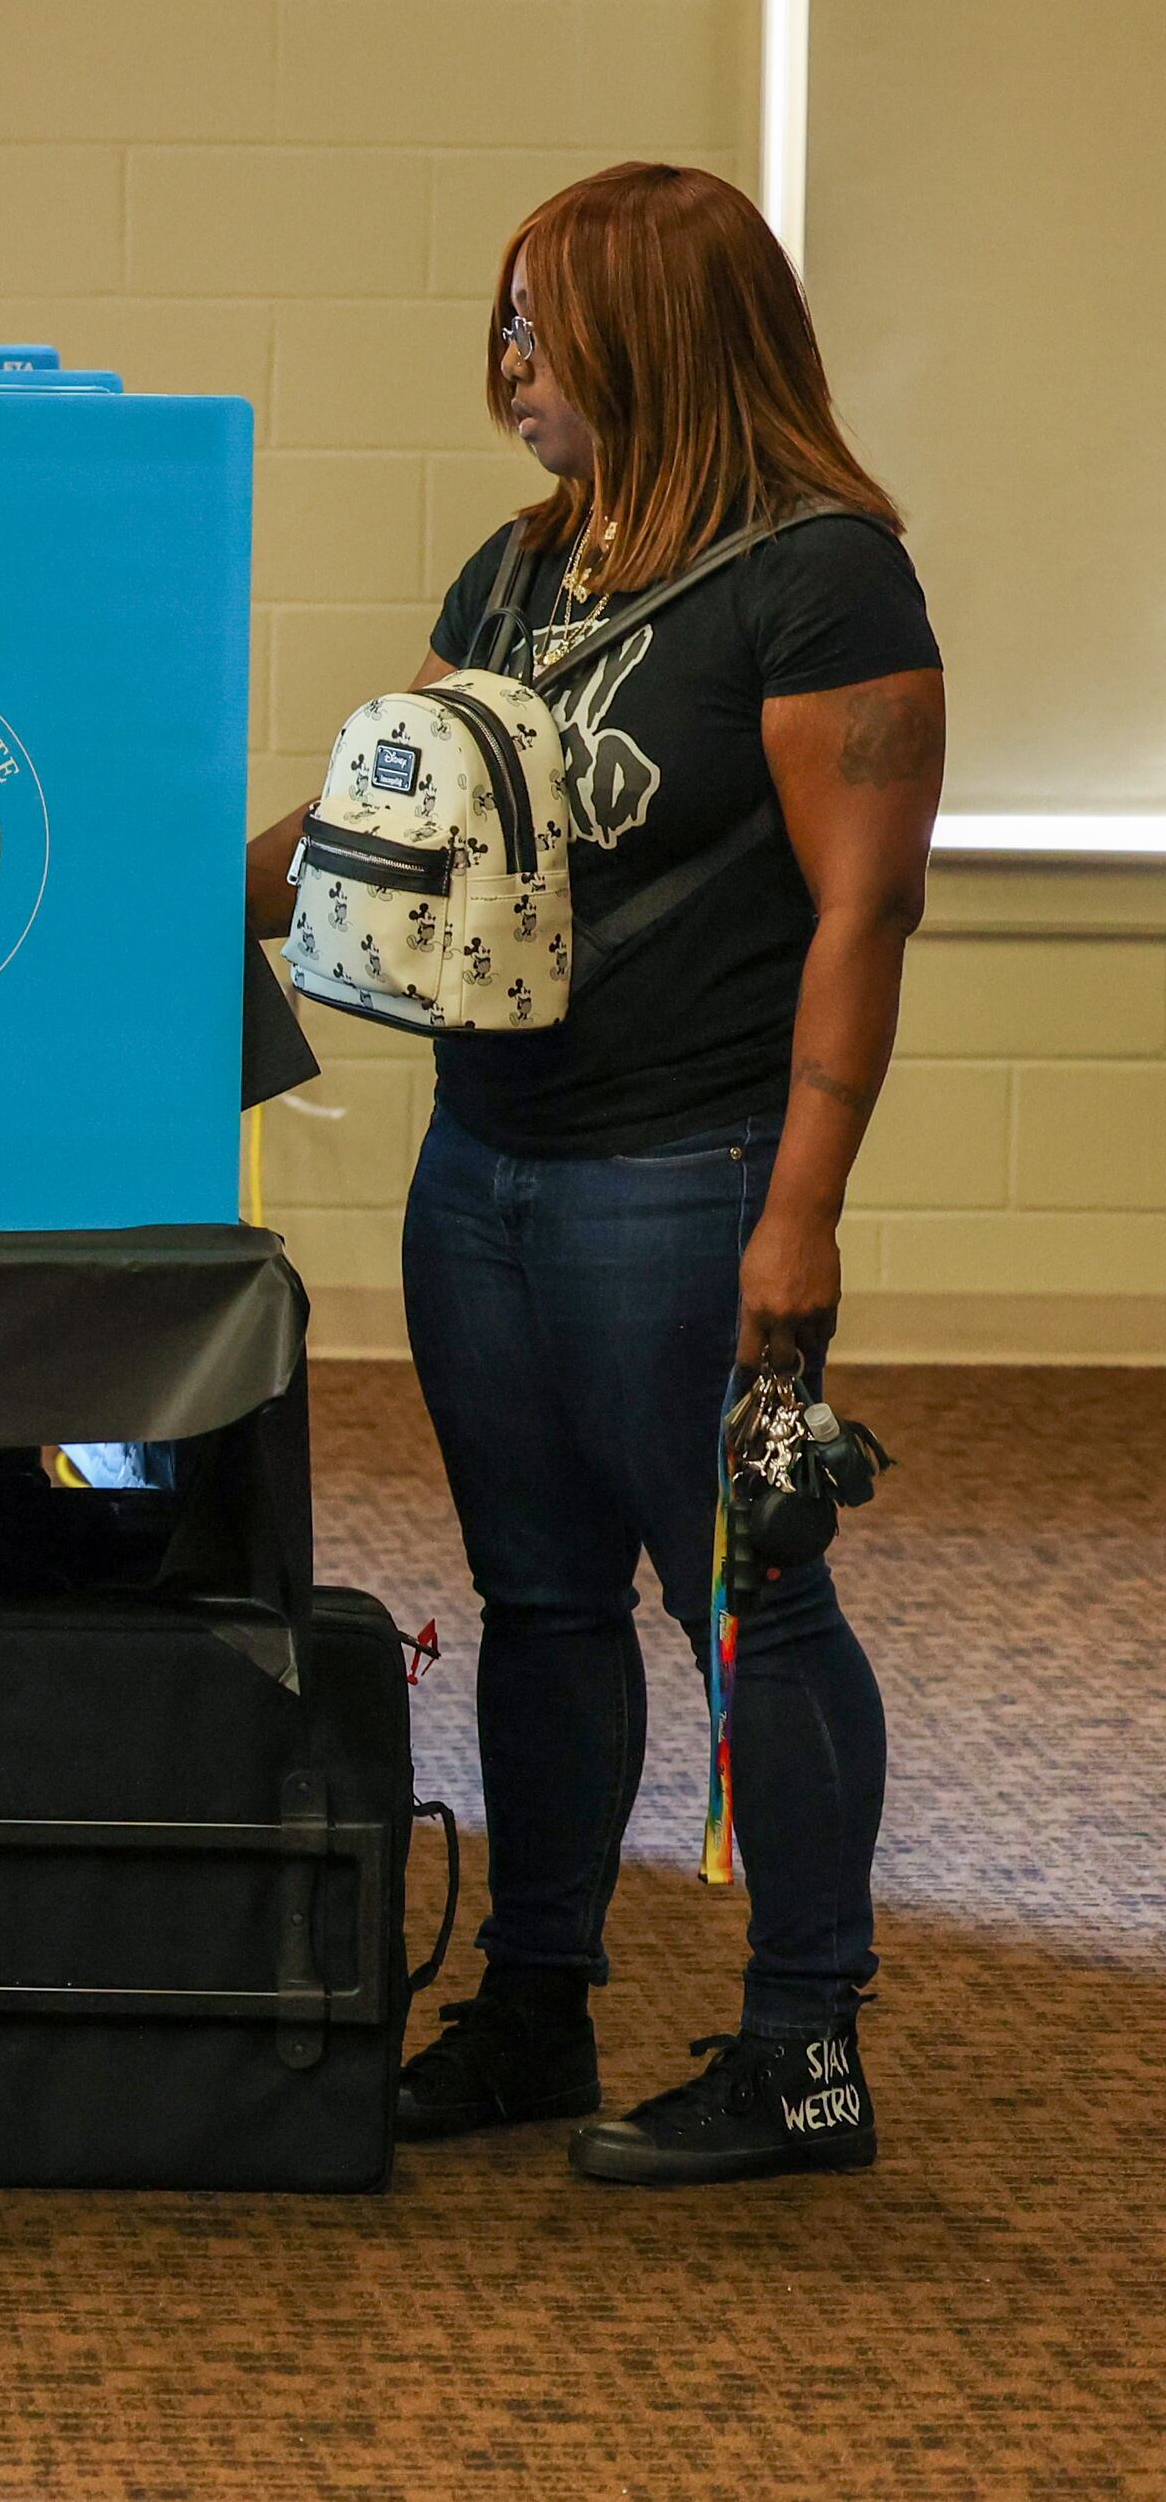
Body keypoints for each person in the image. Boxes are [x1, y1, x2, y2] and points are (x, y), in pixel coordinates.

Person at [247, 166, 945, 2185]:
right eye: (506, 321)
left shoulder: (825, 580)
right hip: (491, 1162)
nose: (509, 362)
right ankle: (538, 2001)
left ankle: (804, 2041)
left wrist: (797, 1210)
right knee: (541, 1602)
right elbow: (407, 807)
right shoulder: (521, 570)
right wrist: (195, 897)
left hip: (687, 1167)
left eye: (543, 324)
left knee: (748, 1605)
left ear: (657, 334)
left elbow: (862, 916)